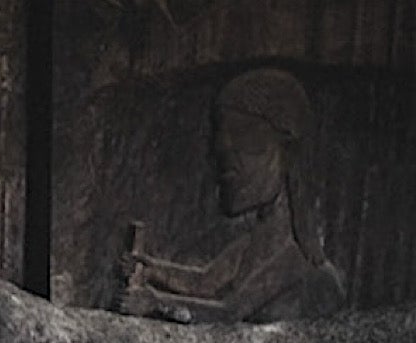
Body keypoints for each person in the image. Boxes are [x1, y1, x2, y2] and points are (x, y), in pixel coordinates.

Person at [120, 67, 344, 325]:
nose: (224, 149)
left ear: (286, 148)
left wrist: (156, 302)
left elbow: (230, 312)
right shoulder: (257, 240)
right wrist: (150, 269)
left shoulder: (298, 257)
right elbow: (205, 281)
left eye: (242, 132)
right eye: (222, 137)